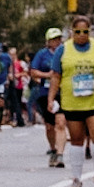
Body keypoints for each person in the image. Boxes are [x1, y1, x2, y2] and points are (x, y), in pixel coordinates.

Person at [41, 15, 94, 187]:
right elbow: (56, 76)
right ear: (72, 32)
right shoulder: (63, 50)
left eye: (85, 32)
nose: (81, 35)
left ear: (90, 32)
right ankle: (76, 178)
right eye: (78, 32)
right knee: (76, 139)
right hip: (72, 101)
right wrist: (51, 98)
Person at [30, 27, 65, 165]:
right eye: (53, 39)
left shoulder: (65, 52)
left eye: (58, 39)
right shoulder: (42, 54)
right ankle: (53, 148)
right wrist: (48, 75)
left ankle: (60, 154)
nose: (56, 42)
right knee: (50, 125)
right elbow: (33, 72)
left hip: (62, 92)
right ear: (48, 41)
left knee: (60, 123)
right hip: (45, 93)